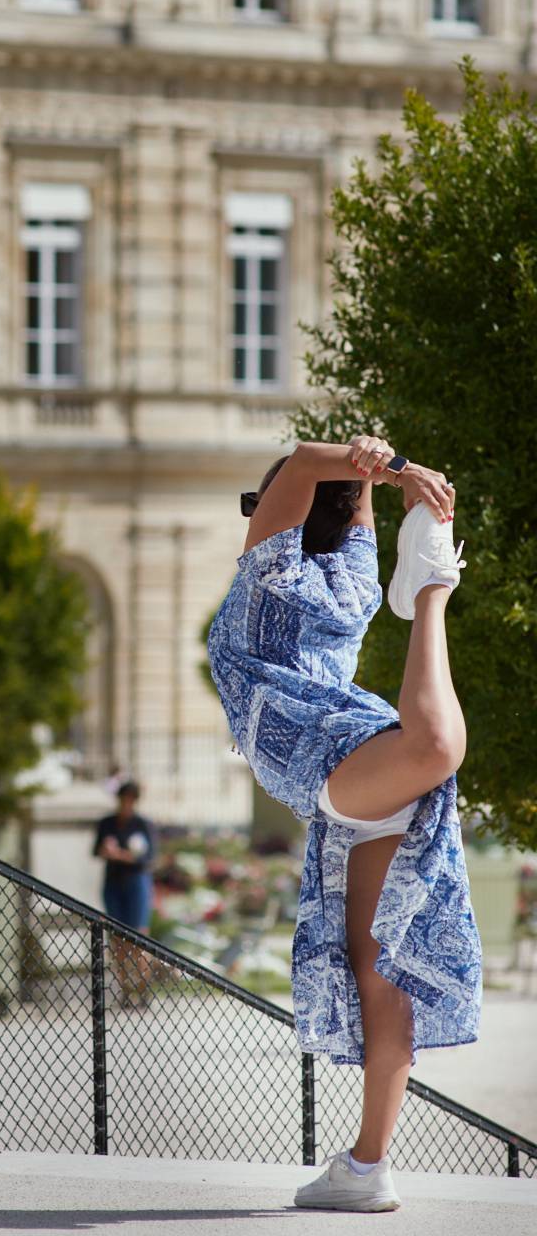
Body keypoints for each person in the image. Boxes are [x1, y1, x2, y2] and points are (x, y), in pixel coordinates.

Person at [207, 437, 481, 1214]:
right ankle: (365, 1170)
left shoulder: (268, 570)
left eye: (253, 508)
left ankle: (433, 590)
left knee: (432, 747)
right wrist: (387, 471)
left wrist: (387, 469)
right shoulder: (353, 575)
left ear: (267, 513)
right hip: (349, 782)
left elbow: (300, 463)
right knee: (380, 974)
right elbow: (321, 478)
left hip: (328, 756)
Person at [93, 779, 158, 1005]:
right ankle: (125, 988)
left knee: (138, 937)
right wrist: (109, 852)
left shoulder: (142, 825)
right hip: (114, 883)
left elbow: (148, 858)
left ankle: (142, 986)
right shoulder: (108, 823)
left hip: (136, 882)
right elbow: (97, 850)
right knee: (117, 939)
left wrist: (120, 855)